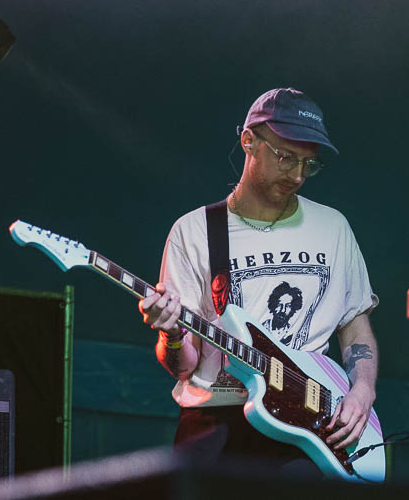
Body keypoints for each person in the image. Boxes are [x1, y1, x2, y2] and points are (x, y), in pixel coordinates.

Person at [139, 87, 379, 476]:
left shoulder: (333, 227)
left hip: (310, 426)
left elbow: (355, 325)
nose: (298, 175)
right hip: (217, 425)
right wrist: (172, 334)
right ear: (249, 140)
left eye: (309, 164)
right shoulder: (195, 231)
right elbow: (183, 367)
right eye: (286, 157)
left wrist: (363, 390)